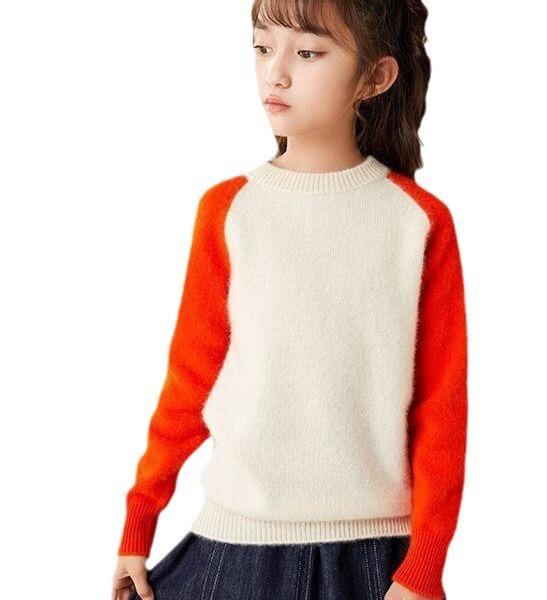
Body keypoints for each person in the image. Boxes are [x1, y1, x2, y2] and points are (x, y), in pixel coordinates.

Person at [111, 0, 468, 598]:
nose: (274, 73)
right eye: (261, 47)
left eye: (307, 52)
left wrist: (424, 567)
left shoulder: (418, 221)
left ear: (375, 77)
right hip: (233, 548)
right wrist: (138, 523)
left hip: (375, 559)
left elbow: (441, 409)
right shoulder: (229, 211)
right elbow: (190, 382)